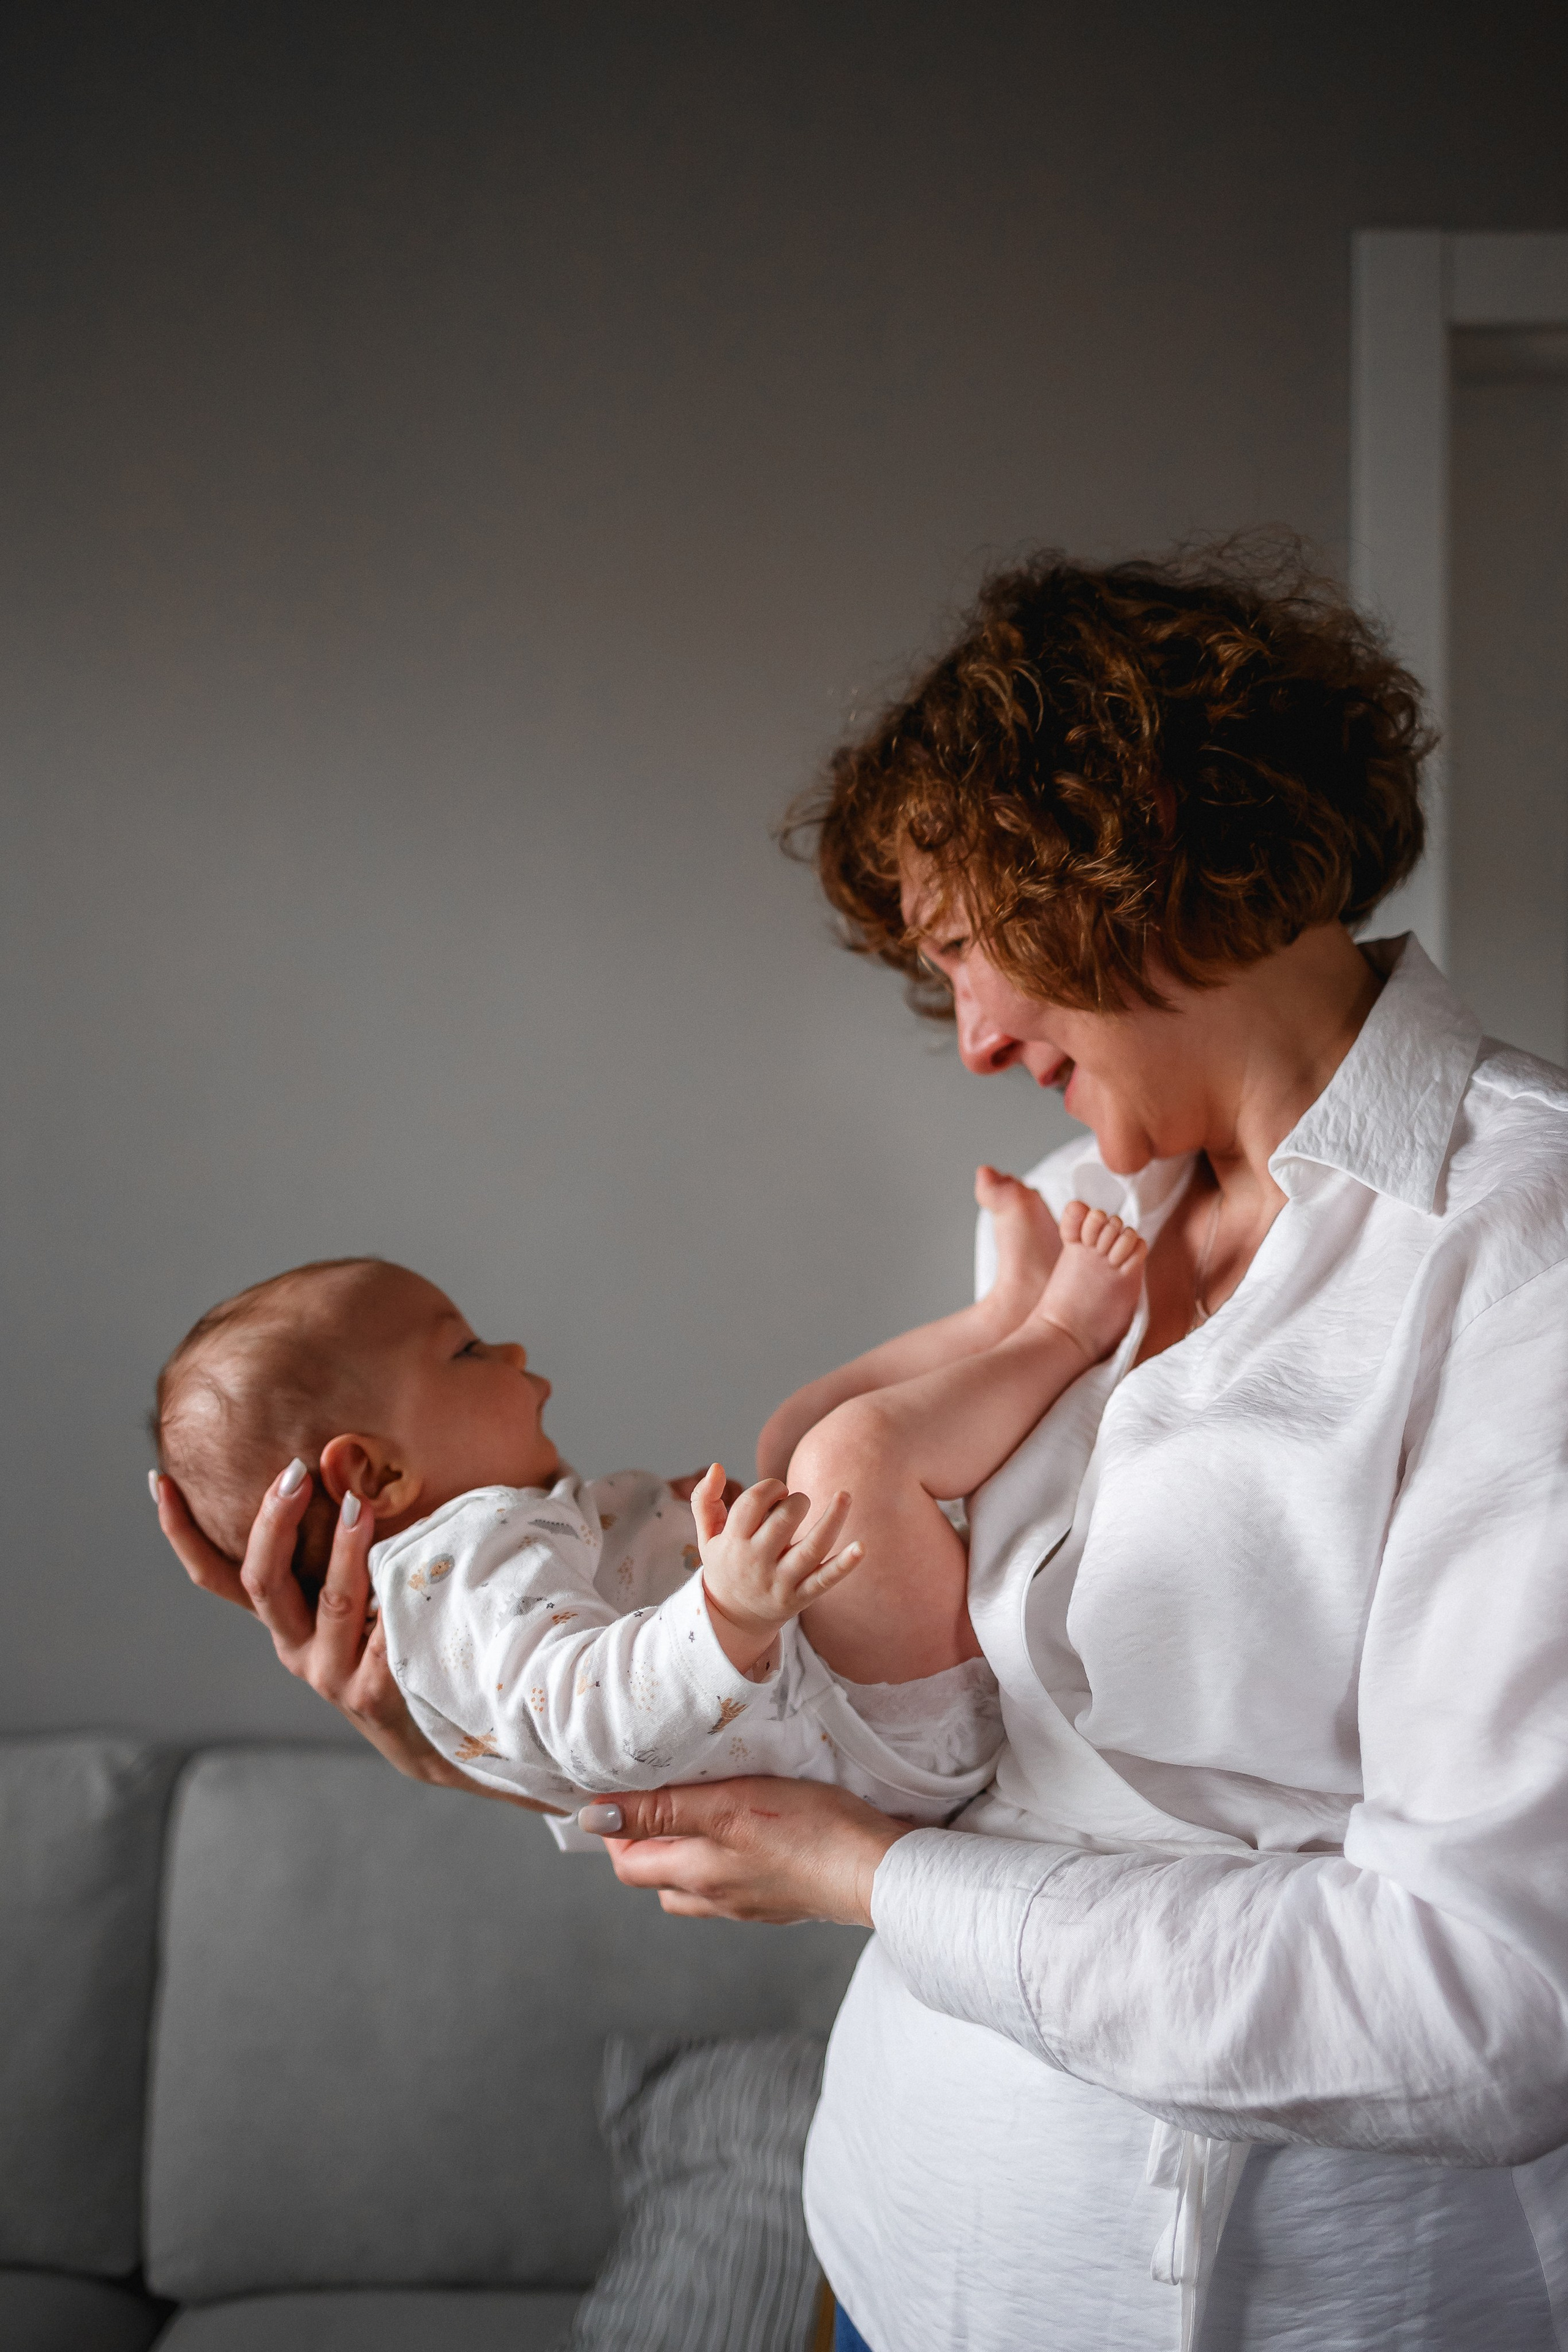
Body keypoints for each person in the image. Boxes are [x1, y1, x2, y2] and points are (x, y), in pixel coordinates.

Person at [157, 545, 1568, 2351]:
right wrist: (491, 1709)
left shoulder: (1514, 1244)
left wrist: (861, 1878)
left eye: (971, 950)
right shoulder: (1079, 1217)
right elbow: (923, 1716)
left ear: (1126, 837)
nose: (972, 1041)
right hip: (889, 2255)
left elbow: (1487, 2004)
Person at [151, 1190, 1144, 1827]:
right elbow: (594, 1719)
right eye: (465, 1352)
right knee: (851, 1451)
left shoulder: (476, 1562)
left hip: (839, 1708)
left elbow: (608, 1607)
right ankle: (1063, 1330)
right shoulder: (460, 1573)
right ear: (374, 1477)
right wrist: (730, 1612)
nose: (514, 1354)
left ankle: (997, 1321)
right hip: (867, 1742)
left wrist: (682, 1527)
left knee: (793, 1435)